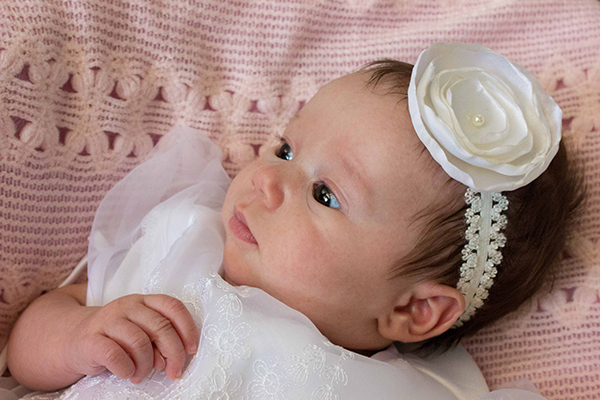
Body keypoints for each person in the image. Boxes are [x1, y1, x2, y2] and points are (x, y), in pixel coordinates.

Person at [5, 42, 583, 399]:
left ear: (413, 311)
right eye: (285, 149)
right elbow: (24, 349)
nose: (266, 178)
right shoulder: (183, 245)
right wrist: (81, 337)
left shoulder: (390, 392)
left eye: (325, 195)